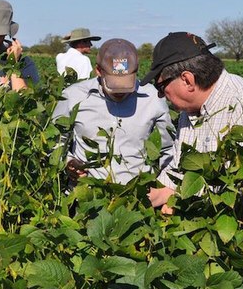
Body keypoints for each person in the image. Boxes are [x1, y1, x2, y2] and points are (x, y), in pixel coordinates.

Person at [141, 32, 243, 289]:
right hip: (215, 236)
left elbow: (241, 188)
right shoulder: (189, 112)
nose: (161, 95)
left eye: (161, 86)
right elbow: (181, 170)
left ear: (187, 79)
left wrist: (178, 199)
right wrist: (148, 196)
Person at [52, 38, 175, 186]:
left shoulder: (153, 98)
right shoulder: (74, 96)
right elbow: (55, 142)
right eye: (114, 83)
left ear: (136, 71)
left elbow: (168, 150)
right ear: (98, 71)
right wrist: (68, 162)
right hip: (86, 195)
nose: (120, 91)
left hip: (137, 196)